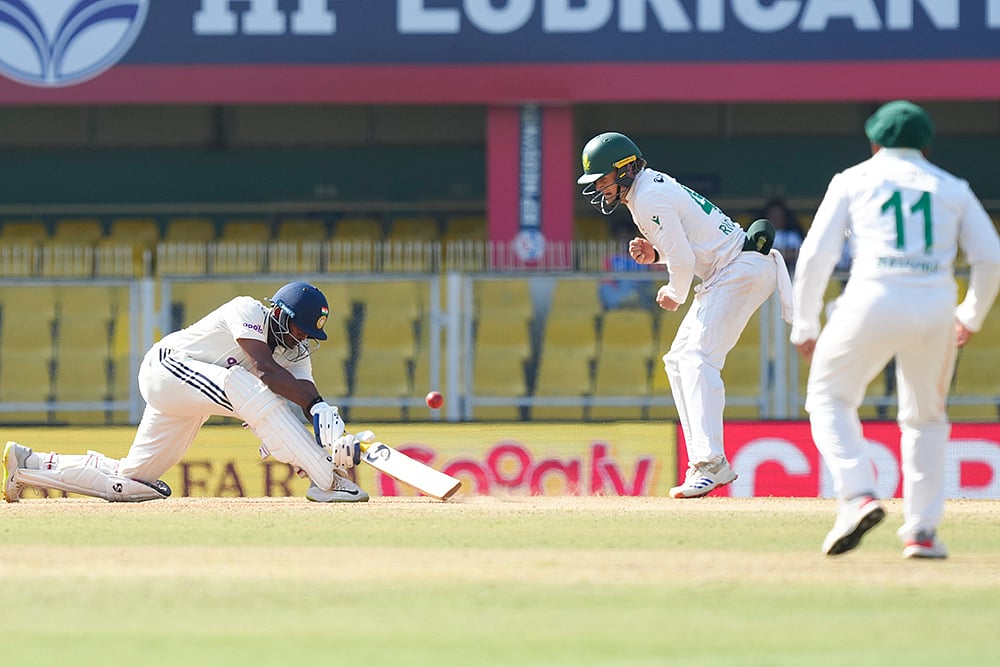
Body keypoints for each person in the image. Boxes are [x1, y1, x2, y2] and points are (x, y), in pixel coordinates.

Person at [790, 100, 1000, 558]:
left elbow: (816, 257)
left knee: (828, 397)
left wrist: (805, 323)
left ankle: (858, 495)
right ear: (927, 144)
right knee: (926, 418)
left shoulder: (852, 180)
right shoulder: (953, 187)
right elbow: (990, 258)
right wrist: (971, 314)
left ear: (874, 141)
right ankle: (922, 532)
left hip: (873, 297)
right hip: (936, 305)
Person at [3, 281, 368, 503]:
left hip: (188, 399)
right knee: (247, 385)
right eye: (300, 329)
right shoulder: (248, 310)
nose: (302, 337)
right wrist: (309, 452)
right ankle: (327, 483)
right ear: (279, 313)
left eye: (308, 334)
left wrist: (326, 432)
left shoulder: (296, 353)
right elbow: (265, 372)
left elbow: (306, 395)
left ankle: (30, 465)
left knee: (134, 482)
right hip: (166, 369)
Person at [577, 131, 794, 498]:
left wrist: (674, 292)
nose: (599, 188)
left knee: (697, 358)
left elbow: (684, 260)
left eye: (603, 179)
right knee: (679, 359)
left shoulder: (647, 197)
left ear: (625, 169)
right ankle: (704, 463)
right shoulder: (646, 190)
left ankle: (710, 464)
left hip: (738, 269)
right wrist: (655, 255)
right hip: (733, 268)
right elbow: (687, 247)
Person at [758, 197, 805, 271]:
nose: (776, 218)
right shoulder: (760, 235)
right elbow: (757, 255)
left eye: (779, 215)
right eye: (773, 215)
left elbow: (799, 253)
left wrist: (770, 254)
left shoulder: (792, 235)